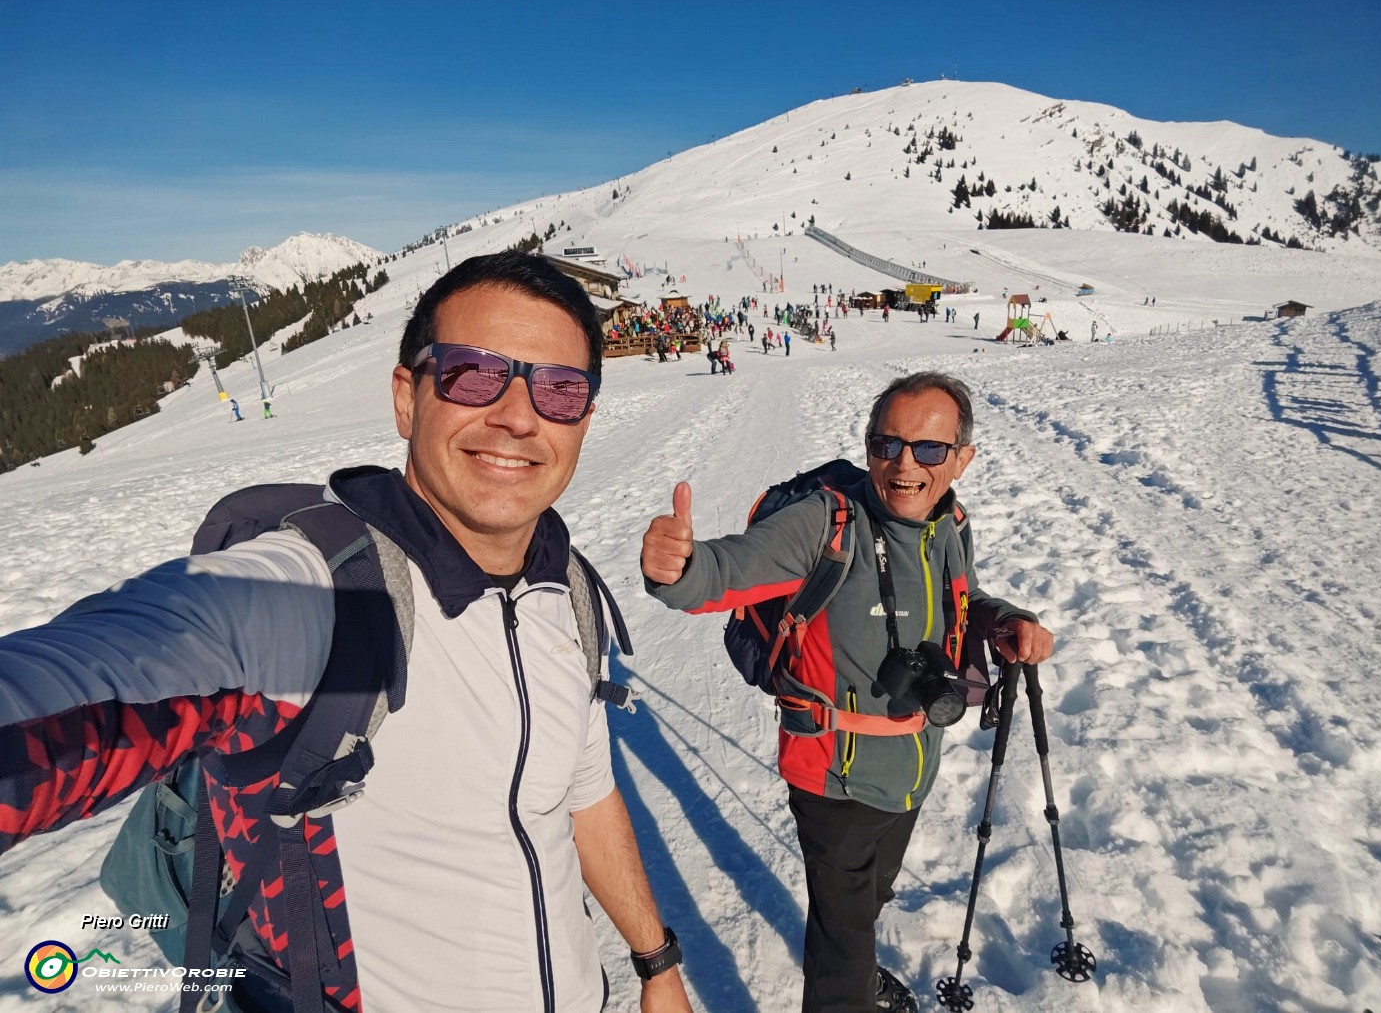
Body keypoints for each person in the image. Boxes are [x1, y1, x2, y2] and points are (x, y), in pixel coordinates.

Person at [0, 251, 693, 1013]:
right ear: (408, 397)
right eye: (474, 374)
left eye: (561, 389)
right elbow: (92, 676)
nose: (520, 417)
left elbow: (584, 795)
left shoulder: (569, 593)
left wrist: (656, 962)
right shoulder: (320, 594)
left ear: (585, 419)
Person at [639, 371, 1054, 1013]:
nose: (904, 464)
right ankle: (848, 992)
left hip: (914, 763)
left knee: (868, 900)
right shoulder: (826, 523)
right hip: (833, 775)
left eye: (930, 450)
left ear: (962, 459)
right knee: (842, 936)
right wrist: (681, 568)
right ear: (868, 449)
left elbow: (962, 601)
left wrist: (1005, 622)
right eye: (887, 445)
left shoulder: (949, 523)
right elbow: (725, 572)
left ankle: (857, 976)